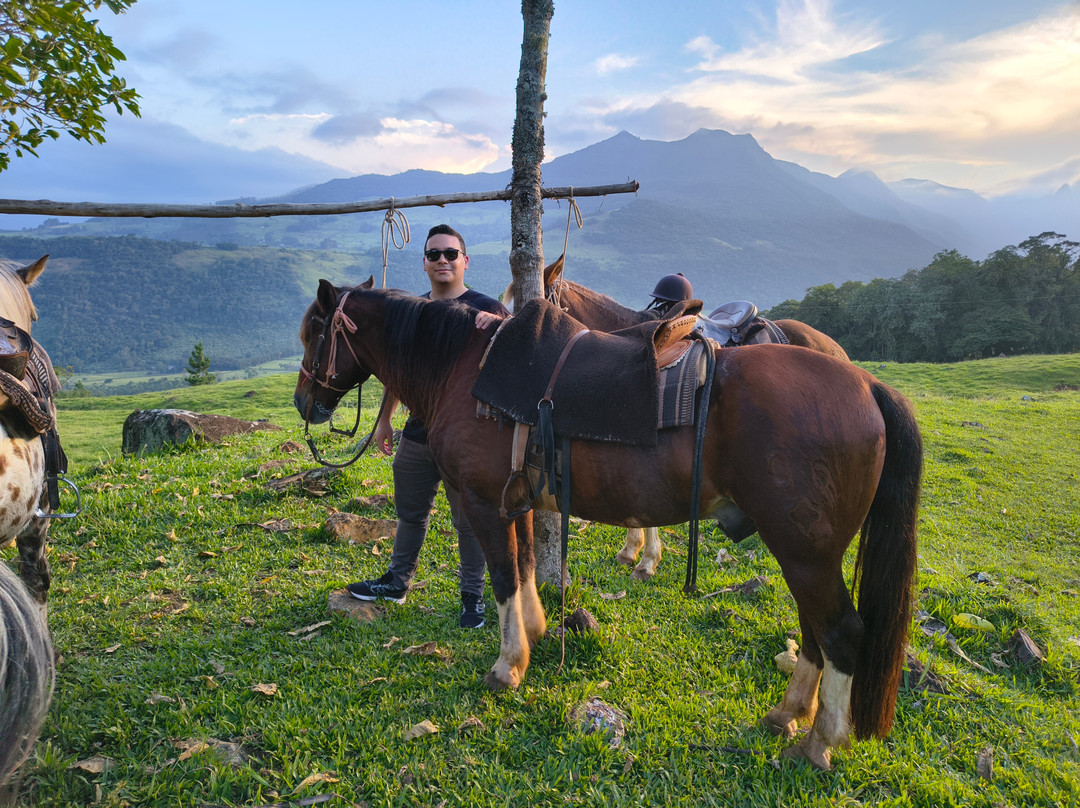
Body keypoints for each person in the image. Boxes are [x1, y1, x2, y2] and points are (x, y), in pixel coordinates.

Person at [346, 224, 508, 629]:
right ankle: (397, 582)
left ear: (465, 261)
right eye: (434, 254)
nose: (442, 260)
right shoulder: (412, 312)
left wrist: (502, 326)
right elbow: (397, 372)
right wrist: (383, 420)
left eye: (451, 254)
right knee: (410, 512)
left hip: (466, 441)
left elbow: (520, 356)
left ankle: (472, 597)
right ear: (423, 262)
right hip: (418, 436)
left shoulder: (487, 309)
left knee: (468, 519)